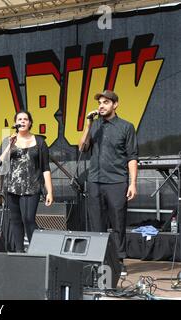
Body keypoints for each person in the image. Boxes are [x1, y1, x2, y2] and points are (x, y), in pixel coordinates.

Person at [78, 90, 138, 276]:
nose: (101, 106)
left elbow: (132, 156)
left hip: (117, 181)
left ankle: (119, 261)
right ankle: (99, 260)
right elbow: (82, 147)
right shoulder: (95, 126)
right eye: (100, 103)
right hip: (95, 180)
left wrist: (133, 183)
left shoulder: (126, 127)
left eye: (105, 102)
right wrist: (88, 125)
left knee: (118, 222)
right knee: (96, 222)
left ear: (115, 104)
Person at [0, 111, 54, 252]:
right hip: (12, 188)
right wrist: (10, 144)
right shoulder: (9, 141)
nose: (22, 121)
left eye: (25, 119)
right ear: (16, 123)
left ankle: (35, 250)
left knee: (28, 219)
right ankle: (19, 252)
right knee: (16, 221)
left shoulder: (40, 142)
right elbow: (2, 160)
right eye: (19, 119)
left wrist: (50, 192)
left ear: (30, 123)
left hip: (32, 187)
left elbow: (45, 168)